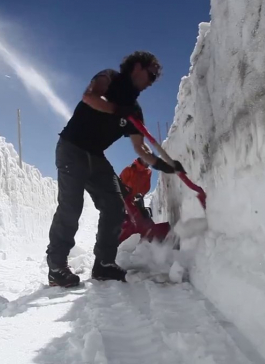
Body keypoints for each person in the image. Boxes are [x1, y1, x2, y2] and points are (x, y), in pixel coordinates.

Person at [45, 51, 183, 287]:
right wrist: (117, 110)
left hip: (96, 157)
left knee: (116, 205)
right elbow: (90, 97)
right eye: (150, 75)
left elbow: (141, 149)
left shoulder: (135, 112)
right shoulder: (109, 79)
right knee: (71, 206)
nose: (151, 82)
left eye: (154, 79)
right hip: (72, 148)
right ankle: (57, 267)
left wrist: (163, 165)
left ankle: (104, 265)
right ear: (137, 67)